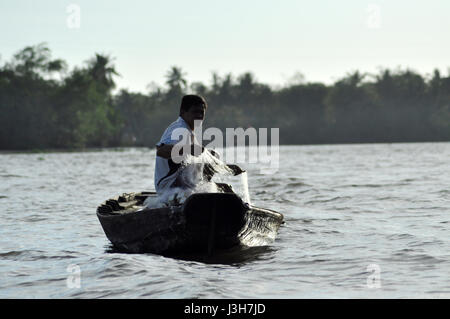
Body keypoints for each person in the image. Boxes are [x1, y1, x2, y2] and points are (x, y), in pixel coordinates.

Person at [154, 95, 243, 198]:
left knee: (213, 155)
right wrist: (187, 149)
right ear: (183, 112)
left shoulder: (188, 130)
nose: (199, 116)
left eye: (202, 112)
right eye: (195, 112)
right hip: (170, 190)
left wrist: (227, 169)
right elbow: (160, 151)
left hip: (186, 187)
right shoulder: (179, 130)